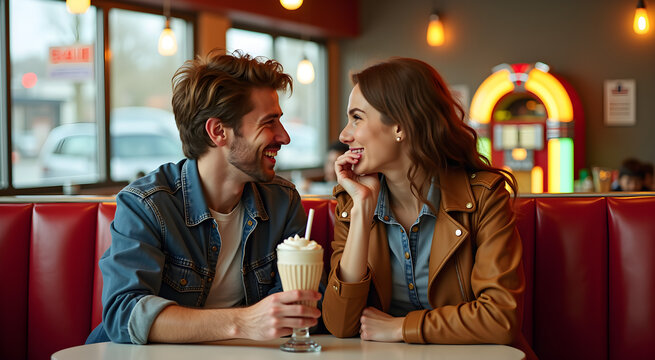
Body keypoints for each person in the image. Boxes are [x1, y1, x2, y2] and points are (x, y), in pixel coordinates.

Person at [86, 50, 321, 344]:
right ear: (218, 131)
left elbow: (291, 308)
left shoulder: (282, 202)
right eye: (268, 122)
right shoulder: (147, 204)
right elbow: (125, 313)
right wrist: (243, 322)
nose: (284, 136)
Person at [321, 58, 536, 359]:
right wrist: (362, 210)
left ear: (400, 126)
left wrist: (400, 328)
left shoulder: (485, 196)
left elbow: (499, 318)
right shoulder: (352, 202)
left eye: (357, 118)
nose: (344, 135)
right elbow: (340, 324)